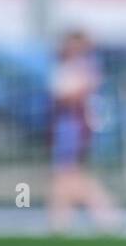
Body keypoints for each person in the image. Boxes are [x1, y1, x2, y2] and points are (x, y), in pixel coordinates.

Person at [48, 30, 121, 234]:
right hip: (66, 125)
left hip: (74, 125)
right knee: (67, 174)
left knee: (67, 173)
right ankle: (63, 218)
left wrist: (68, 96)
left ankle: (101, 213)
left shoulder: (84, 69)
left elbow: (74, 97)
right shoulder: (67, 67)